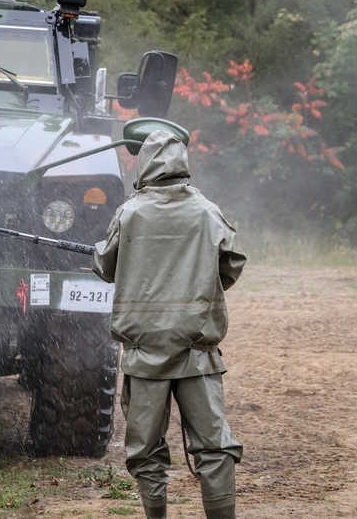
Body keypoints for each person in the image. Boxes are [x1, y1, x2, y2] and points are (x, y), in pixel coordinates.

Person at [92, 129, 247, 519]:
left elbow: (104, 266)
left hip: (145, 356)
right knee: (214, 448)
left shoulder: (129, 213)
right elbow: (232, 265)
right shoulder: (208, 212)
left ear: (144, 165)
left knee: (146, 451)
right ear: (182, 164)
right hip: (197, 353)